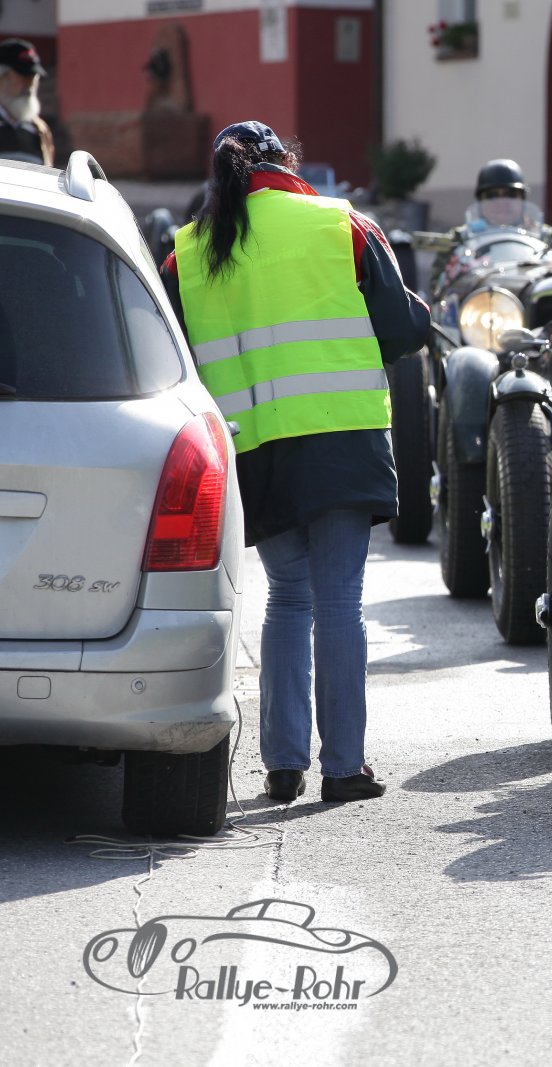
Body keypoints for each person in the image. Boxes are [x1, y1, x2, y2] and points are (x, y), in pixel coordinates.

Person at [159, 120, 430, 805]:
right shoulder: (341, 224)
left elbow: (167, 356)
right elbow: (402, 331)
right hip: (341, 435)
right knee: (338, 600)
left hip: (251, 448)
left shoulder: (186, 253)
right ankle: (344, 768)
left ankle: (283, 764)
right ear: (286, 162)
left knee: (287, 596)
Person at [0, 39, 53, 166]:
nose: (30, 83)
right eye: (23, 75)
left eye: (34, 76)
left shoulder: (39, 130)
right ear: (2, 77)